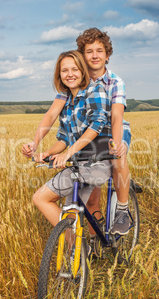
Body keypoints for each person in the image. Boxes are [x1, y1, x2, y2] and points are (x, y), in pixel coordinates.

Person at [22, 28, 131, 236]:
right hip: (84, 144)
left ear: (107, 55)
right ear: (83, 56)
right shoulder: (73, 83)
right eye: (89, 51)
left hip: (110, 133)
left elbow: (115, 118)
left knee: (117, 158)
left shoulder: (112, 83)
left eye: (100, 51)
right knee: (91, 199)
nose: (95, 56)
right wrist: (38, 145)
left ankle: (123, 211)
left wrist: (116, 144)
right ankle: (89, 242)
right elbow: (54, 118)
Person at [32, 50, 112, 234]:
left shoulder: (95, 90)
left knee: (56, 204)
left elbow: (97, 124)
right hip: (78, 165)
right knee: (59, 207)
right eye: (64, 70)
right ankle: (78, 252)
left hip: (97, 163)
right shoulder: (67, 101)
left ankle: (79, 250)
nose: (69, 74)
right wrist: (49, 153)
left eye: (74, 69)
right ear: (59, 74)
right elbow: (64, 139)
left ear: (83, 71)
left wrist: (67, 153)